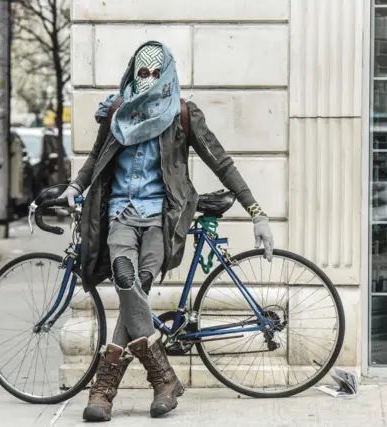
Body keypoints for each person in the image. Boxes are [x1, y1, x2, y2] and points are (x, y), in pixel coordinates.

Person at [60, 41, 274, 422]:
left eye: (156, 72)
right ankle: (163, 379)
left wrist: (256, 212)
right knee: (126, 280)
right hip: (120, 214)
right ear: (131, 73)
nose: (149, 79)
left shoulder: (182, 114)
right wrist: (75, 187)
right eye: (142, 72)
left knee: (139, 282)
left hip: (162, 218)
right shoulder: (116, 113)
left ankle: (103, 391)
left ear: (168, 73)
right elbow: (96, 158)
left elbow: (221, 162)